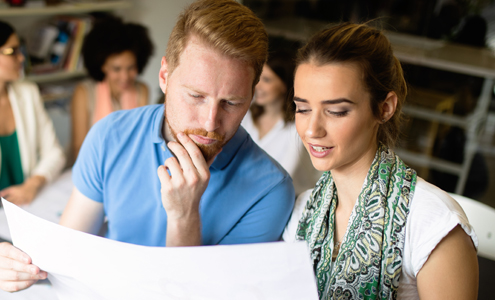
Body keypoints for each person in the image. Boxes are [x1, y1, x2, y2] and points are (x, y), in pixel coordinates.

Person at [0, 0, 295, 292]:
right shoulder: (110, 135)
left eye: (231, 103)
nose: (209, 123)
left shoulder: (270, 190)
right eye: (195, 96)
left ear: (252, 94)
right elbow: (68, 257)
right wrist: (18, 267)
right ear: (164, 76)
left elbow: (197, 296)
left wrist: (184, 215)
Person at [283, 23, 478, 299]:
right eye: (302, 109)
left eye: (336, 111)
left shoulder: (432, 224)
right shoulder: (303, 213)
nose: (312, 129)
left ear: (384, 108)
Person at [70, 16, 154, 162]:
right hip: (92, 167)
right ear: (102, 65)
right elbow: (79, 149)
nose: (125, 77)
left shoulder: (142, 90)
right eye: (116, 69)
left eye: (131, 68)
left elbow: (143, 142)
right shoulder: (83, 93)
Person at [0, 21, 65, 206]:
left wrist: (33, 184)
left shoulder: (28, 92)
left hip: (26, 203)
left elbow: (54, 152)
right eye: (12, 51)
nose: (21, 58)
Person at [242, 50, 321, 195]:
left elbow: (282, 176)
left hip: (288, 198)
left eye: (266, 80)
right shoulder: (245, 114)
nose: (257, 85)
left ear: (284, 85)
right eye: (258, 78)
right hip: (248, 192)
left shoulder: (296, 128)